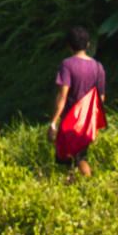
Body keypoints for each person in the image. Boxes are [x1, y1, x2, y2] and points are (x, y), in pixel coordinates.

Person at [50, 28, 107, 179]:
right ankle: (76, 188)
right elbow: (101, 99)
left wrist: (53, 123)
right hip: (87, 121)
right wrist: (94, 123)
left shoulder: (67, 65)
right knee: (78, 157)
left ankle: (89, 186)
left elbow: (62, 95)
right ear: (88, 45)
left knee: (74, 159)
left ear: (69, 46)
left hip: (70, 121)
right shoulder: (98, 67)